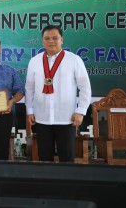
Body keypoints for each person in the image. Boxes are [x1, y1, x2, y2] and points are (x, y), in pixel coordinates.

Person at [25, 25, 91, 162]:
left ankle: (67, 184)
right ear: (42, 41)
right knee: (44, 158)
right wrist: (29, 110)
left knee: (67, 157)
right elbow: (29, 88)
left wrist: (81, 111)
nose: (51, 41)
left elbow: (85, 87)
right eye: (47, 38)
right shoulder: (34, 61)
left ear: (62, 40)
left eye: (55, 38)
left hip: (66, 119)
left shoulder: (74, 60)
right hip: (42, 118)